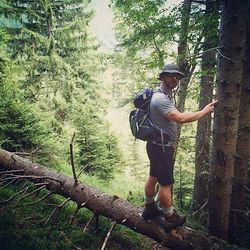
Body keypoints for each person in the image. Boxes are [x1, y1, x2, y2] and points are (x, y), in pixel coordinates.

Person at [142, 63, 217, 229]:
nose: (174, 78)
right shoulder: (161, 98)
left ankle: (149, 207)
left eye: (176, 76)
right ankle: (169, 217)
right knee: (165, 183)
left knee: (153, 175)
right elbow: (180, 117)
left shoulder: (161, 95)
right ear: (162, 77)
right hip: (161, 148)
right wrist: (204, 111)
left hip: (155, 145)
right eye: (170, 75)